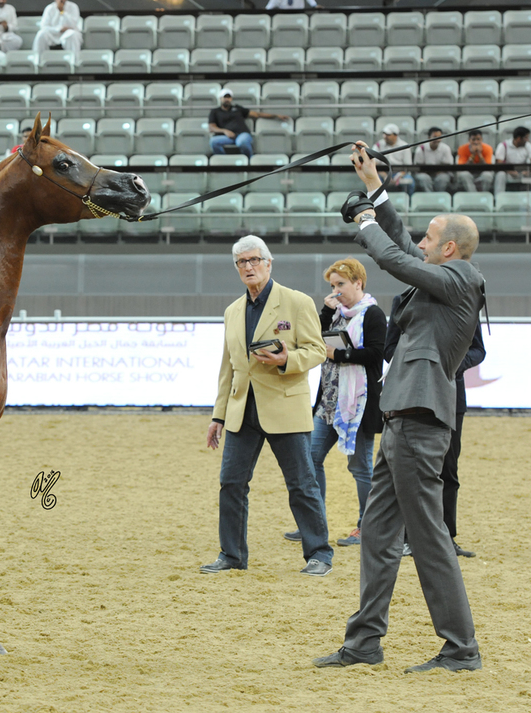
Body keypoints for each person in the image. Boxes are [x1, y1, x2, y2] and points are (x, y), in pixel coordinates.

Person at [315, 141, 484, 674]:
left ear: (450, 250)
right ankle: (365, 643)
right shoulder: (443, 277)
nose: (422, 243)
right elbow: (405, 247)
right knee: (380, 536)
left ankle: (460, 649)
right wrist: (373, 189)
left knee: (428, 538)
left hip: (418, 421)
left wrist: (364, 222)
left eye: (431, 239)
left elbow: (390, 256)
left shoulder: (460, 281)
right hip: (400, 420)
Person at [201, 235, 332, 577]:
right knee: (230, 484)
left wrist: (286, 358)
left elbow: (317, 351)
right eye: (242, 262)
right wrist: (218, 415)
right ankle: (231, 554)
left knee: (302, 485)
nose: (248, 267)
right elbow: (228, 366)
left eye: (254, 260)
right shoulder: (233, 311)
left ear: (269, 263)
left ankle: (319, 553)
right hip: (241, 411)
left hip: (285, 407)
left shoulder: (297, 302)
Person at [384, 294, 485, 559]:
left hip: (450, 396)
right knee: (408, 470)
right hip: (410, 397)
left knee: (448, 469)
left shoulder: (464, 300)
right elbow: (389, 348)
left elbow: (478, 350)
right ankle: (407, 537)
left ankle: (447, 537)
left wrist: (450, 364)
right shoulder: (403, 300)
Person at [303, 258, 385, 549]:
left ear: (358, 283)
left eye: (340, 284)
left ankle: (368, 526)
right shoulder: (335, 313)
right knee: (310, 459)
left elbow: (377, 354)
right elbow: (315, 338)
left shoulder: (373, 314)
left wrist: (338, 356)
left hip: (359, 403)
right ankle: (314, 523)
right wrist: (326, 310)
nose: (335, 290)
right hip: (328, 402)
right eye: (332, 285)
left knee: (360, 467)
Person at [208, 88, 290, 159]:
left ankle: (249, 161)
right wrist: (225, 131)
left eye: (229, 97)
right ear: (220, 98)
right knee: (213, 142)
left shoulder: (237, 108)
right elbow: (212, 127)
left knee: (242, 142)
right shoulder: (215, 111)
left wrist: (276, 116)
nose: (227, 99)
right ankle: (223, 161)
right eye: (225, 97)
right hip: (227, 137)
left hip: (241, 134)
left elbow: (256, 114)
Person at [372, 124, 414, 196]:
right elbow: (374, 164)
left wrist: (399, 175)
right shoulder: (378, 145)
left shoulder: (404, 146)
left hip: (400, 173)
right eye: (384, 134)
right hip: (382, 172)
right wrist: (385, 176)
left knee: (409, 182)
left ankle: (408, 201)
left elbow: (408, 166)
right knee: (374, 181)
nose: (385, 136)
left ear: (395, 135)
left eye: (388, 135)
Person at [414, 128, 455, 193]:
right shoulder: (421, 149)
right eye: (435, 137)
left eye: (439, 137)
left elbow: (448, 165)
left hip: (441, 172)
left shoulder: (446, 148)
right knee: (423, 178)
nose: (437, 139)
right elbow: (418, 167)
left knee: (443, 178)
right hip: (425, 173)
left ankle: (438, 196)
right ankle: (430, 197)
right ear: (429, 137)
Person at [493, 126, 530, 195]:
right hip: (508, 172)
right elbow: (499, 163)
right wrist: (510, 171)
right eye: (526, 137)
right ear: (519, 138)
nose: (528, 140)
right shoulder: (503, 145)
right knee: (500, 175)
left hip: (523, 172)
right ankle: (498, 198)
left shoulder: (528, 146)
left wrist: (528, 171)